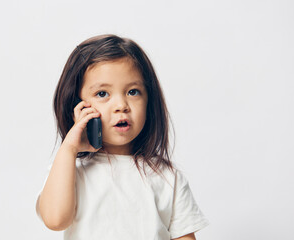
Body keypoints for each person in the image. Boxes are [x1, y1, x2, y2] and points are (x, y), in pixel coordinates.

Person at [35, 34, 210, 240]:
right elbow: (55, 220)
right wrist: (69, 148)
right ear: (77, 105)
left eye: (133, 92)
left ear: (149, 100)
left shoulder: (167, 177)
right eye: (102, 94)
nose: (121, 106)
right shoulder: (69, 170)